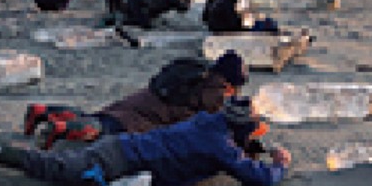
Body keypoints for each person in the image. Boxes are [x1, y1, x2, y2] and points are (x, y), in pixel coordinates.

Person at [0, 96, 291, 186]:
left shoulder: (210, 122)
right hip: (116, 162)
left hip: (122, 146)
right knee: (50, 168)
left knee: (57, 163)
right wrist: (280, 163)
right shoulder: (221, 145)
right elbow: (258, 178)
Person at [21, 50, 248, 148]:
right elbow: (213, 125)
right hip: (148, 117)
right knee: (104, 127)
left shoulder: (198, 72)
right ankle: (60, 128)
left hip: (142, 99)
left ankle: (43, 110)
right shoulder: (214, 92)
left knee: (100, 116)